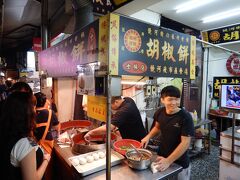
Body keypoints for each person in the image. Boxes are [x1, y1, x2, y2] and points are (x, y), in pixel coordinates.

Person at [141, 86, 194, 180]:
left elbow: (185, 143)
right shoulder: (159, 112)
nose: (174, 103)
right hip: (162, 157)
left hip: (179, 162)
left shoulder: (185, 117)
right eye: (170, 99)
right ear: (162, 100)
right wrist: (148, 137)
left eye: (177, 99)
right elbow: (157, 127)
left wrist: (168, 161)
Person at [0, 92, 50, 180]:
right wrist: (46, 160)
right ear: (27, 113)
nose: (35, 111)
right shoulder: (24, 143)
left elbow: (31, 144)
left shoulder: (7, 133)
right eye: (33, 107)